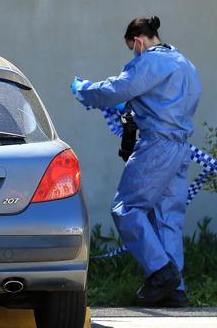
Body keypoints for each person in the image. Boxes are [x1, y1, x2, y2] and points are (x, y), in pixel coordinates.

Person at [71, 16, 202, 307]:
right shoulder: (185, 65)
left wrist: (84, 90)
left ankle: (160, 272)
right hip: (180, 147)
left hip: (156, 146)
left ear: (138, 41)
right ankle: (175, 290)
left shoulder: (151, 62)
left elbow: (118, 88)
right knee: (168, 217)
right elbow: (161, 101)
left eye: (132, 47)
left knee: (127, 208)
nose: (133, 52)